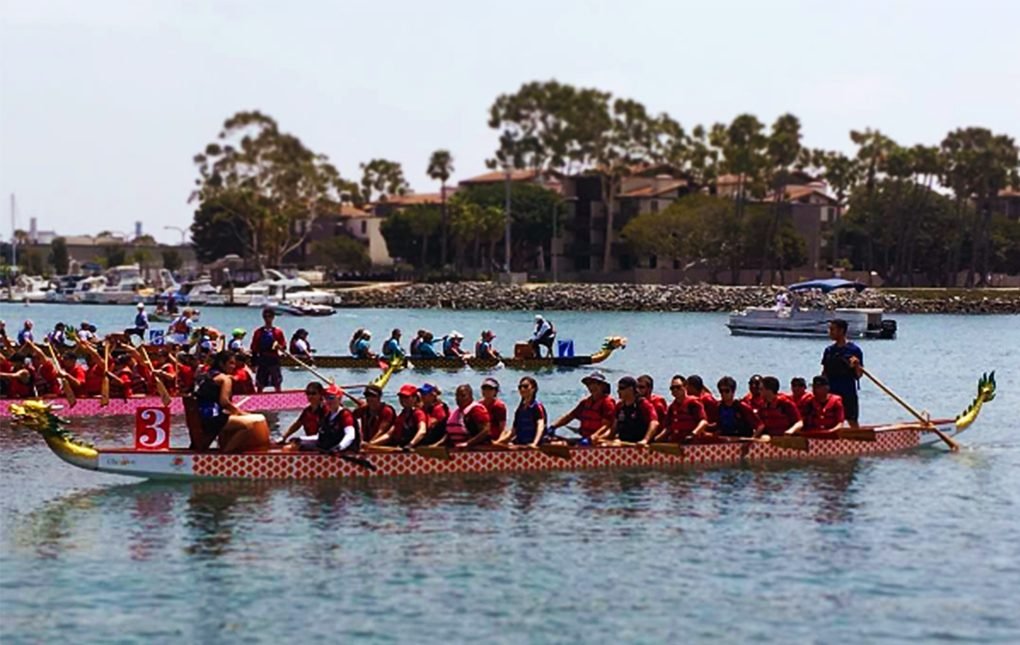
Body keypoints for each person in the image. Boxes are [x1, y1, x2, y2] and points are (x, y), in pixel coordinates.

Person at [192, 350, 271, 452]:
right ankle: (226, 454)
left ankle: (215, 449)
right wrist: (241, 413)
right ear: (221, 363)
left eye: (234, 363)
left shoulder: (207, 375)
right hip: (212, 420)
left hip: (201, 417)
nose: (233, 366)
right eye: (231, 363)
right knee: (248, 426)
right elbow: (224, 402)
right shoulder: (225, 379)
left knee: (232, 418)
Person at [284, 384, 359, 453]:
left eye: (331, 398)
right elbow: (320, 437)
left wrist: (339, 447)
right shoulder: (328, 416)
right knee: (293, 446)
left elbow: (350, 435)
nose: (329, 401)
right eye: (326, 398)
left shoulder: (345, 415)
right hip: (329, 450)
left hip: (344, 453)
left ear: (339, 399)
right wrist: (300, 439)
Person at [549, 371, 615, 442]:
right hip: (585, 436)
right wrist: (553, 426)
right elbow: (569, 416)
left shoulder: (607, 403)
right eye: (589, 384)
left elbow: (606, 426)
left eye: (596, 383)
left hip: (599, 438)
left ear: (603, 386)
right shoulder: (585, 402)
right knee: (557, 436)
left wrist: (592, 437)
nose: (592, 386)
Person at [821, 319, 864, 428]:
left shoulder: (854, 350)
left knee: (852, 419)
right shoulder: (829, 350)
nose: (829, 332)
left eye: (832, 329)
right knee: (830, 420)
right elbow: (824, 372)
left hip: (847, 391)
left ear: (841, 331)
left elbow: (859, 375)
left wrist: (857, 365)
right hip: (831, 392)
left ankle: (858, 442)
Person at [597, 376, 658, 445]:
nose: (618, 391)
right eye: (618, 388)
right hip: (624, 443)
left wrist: (645, 440)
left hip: (639, 445)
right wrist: (600, 438)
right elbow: (613, 430)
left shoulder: (643, 404)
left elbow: (654, 423)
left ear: (631, 389)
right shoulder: (619, 406)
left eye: (621, 388)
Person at [369, 383, 429, 449]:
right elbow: (389, 435)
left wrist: (410, 445)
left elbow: (422, 431)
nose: (403, 400)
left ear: (414, 398)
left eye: (406, 397)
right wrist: (370, 444)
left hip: (412, 449)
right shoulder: (402, 415)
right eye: (401, 397)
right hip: (400, 447)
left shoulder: (418, 413)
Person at [498, 376, 548, 448]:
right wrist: (498, 442)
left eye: (525, 386)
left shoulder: (536, 407)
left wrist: (534, 443)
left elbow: (540, 426)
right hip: (521, 443)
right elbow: (513, 431)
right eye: (520, 387)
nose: (522, 389)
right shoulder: (520, 409)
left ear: (533, 389)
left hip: (534, 444)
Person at [661, 374, 709, 442]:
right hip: (676, 441)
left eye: (678, 387)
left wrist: (693, 434)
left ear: (685, 386)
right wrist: (657, 439)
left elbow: (703, 422)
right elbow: (668, 427)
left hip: (692, 443)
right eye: (672, 388)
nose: (675, 390)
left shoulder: (693, 403)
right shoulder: (672, 407)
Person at [250, 308, 286, 393]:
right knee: (260, 383)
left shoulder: (278, 332)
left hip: (274, 359)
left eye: (269, 316)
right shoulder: (258, 332)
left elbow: (284, 347)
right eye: (265, 317)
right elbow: (254, 349)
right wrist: (253, 364)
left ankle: (279, 397)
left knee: (277, 382)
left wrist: (279, 347)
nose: (267, 319)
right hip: (262, 359)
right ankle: (259, 398)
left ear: (273, 317)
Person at [446, 384, 492, 448]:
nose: (459, 398)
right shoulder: (457, 413)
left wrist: (468, 444)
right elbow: (448, 435)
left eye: (463, 396)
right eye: (457, 396)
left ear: (470, 397)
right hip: (458, 449)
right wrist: (435, 446)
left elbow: (486, 431)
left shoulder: (477, 410)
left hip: (476, 450)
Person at [479, 377, 508, 442]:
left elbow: (502, 427)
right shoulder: (479, 405)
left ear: (495, 391)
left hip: (494, 438)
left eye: (490, 389)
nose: (487, 391)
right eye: (484, 389)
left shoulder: (499, 406)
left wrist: (499, 441)